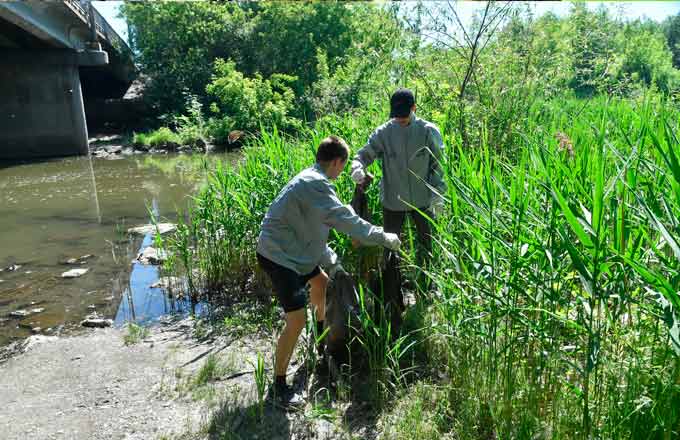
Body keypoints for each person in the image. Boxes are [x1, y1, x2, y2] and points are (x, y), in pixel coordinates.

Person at [256, 135, 401, 406]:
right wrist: (383, 236)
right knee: (295, 320)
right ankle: (278, 386)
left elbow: (314, 230)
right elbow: (346, 221)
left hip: (295, 249)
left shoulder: (313, 180)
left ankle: (321, 338)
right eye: (343, 166)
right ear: (337, 162)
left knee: (321, 283)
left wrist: (332, 261)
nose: (343, 172)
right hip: (279, 255)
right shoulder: (316, 185)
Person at [350, 88, 446, 266]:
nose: (400, 119)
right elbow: (364, 154)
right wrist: (357, 166)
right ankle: (391, 288)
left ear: (414, 108)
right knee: (390, 248)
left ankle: (426, 286)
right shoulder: (384, 132)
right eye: (397, 115)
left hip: (423, 201)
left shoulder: (428, 131)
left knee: (427, 246)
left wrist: (438, 194)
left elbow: (438, 165)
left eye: (404, 114)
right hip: (393, 201)